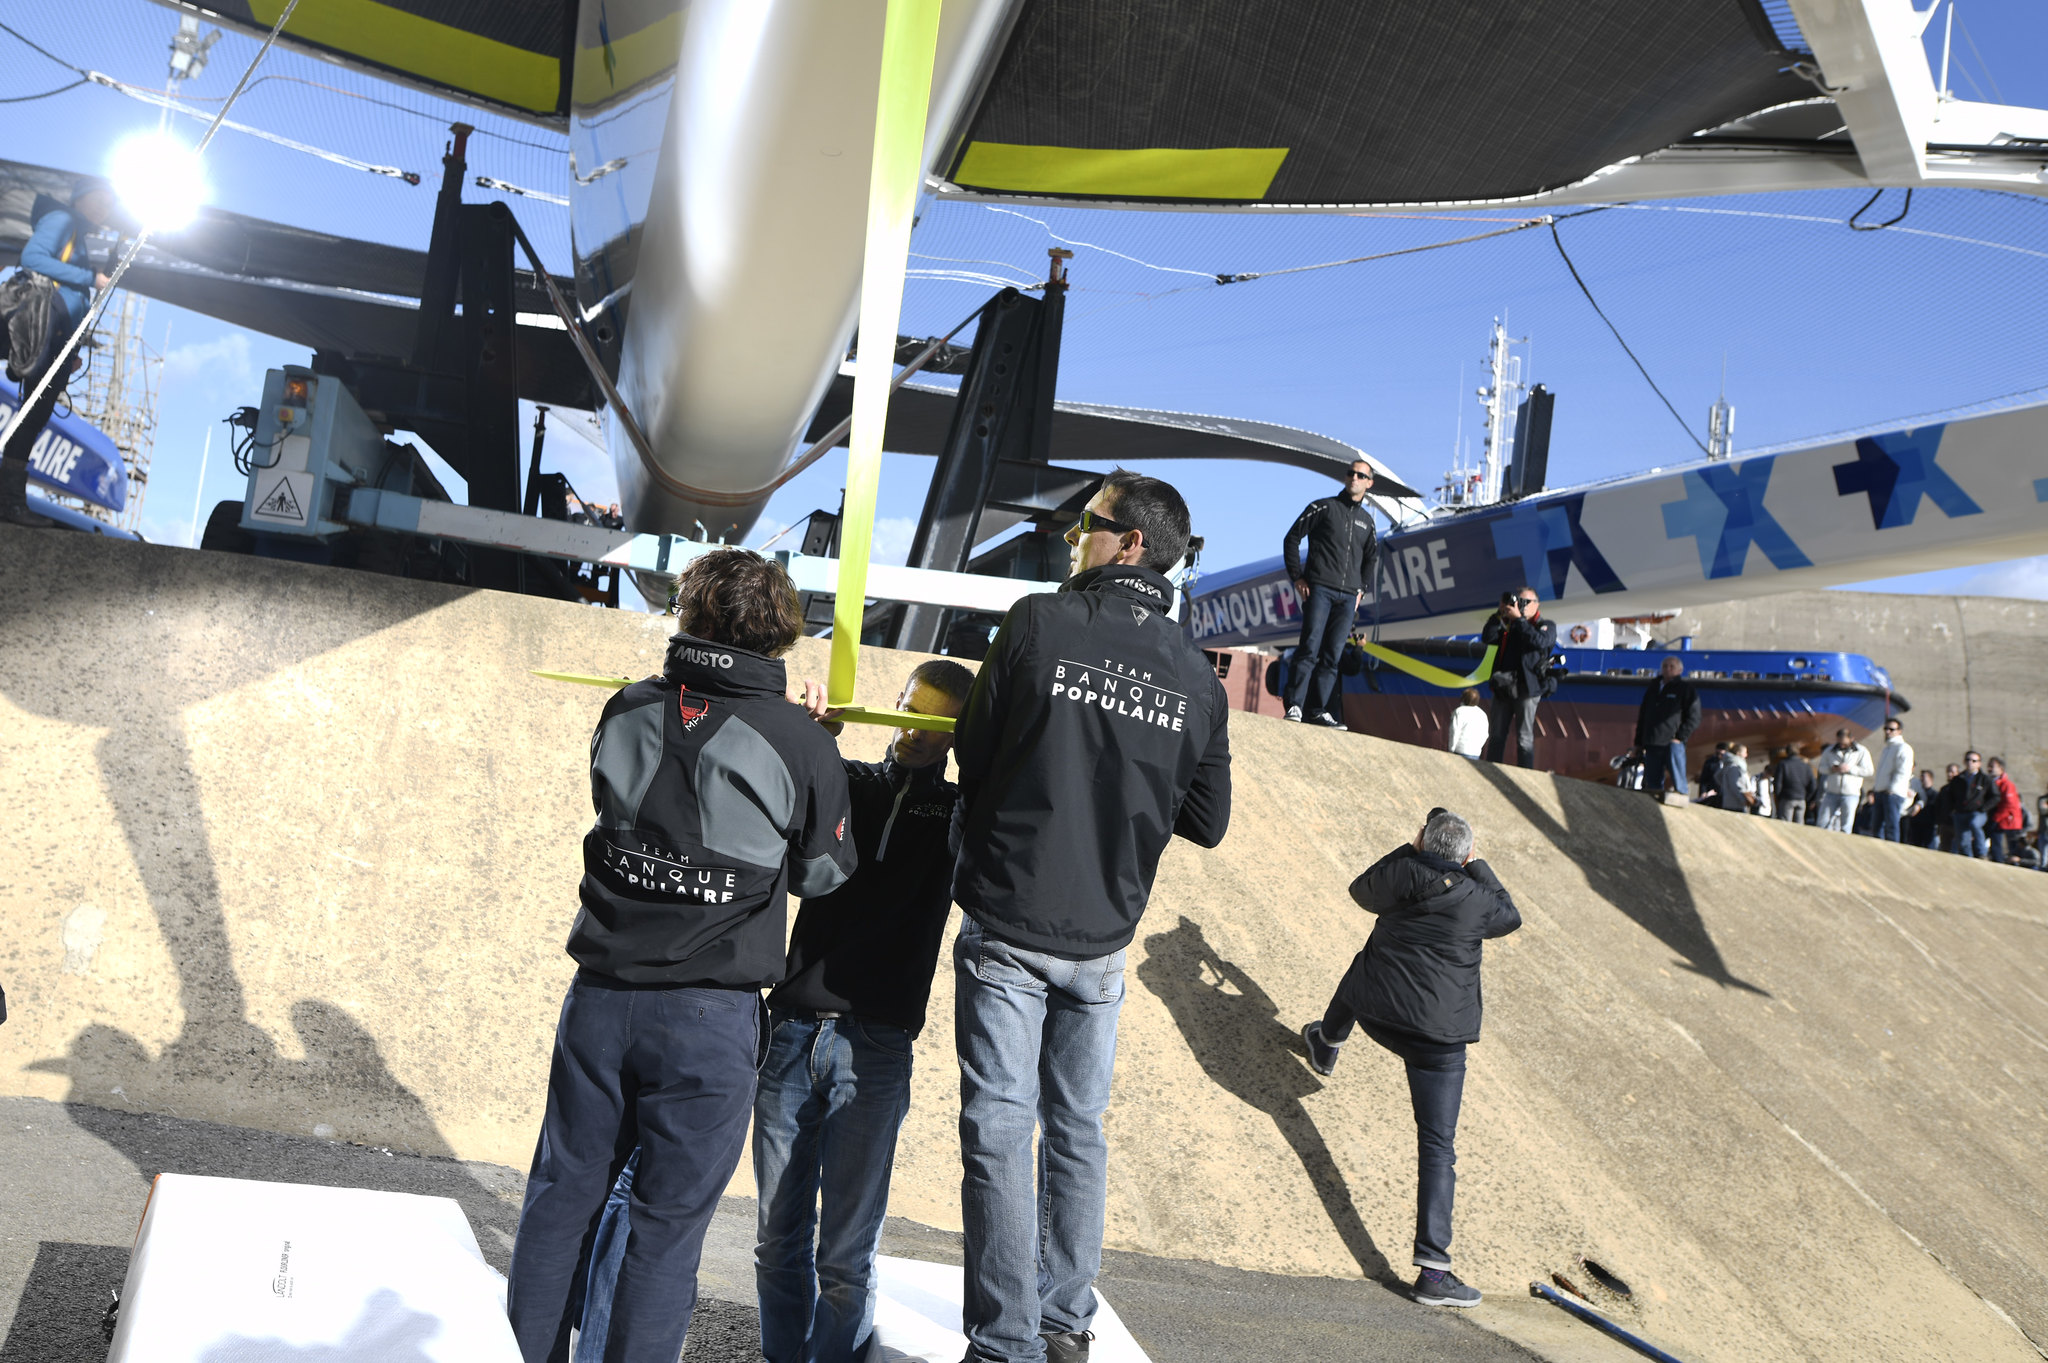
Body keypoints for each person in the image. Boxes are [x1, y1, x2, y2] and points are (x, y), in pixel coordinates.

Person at [504, 549, 857, 1363]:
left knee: (561, 1200)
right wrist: (820, 750)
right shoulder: (801, 742)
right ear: (780, 630)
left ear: (690, 611)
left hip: (600, 997)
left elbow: (608, 800)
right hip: (710, 1015)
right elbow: (825, 872)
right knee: (664, 1233)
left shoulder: (627, 707)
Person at [951, 468, 1231, 1363]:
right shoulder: (1198, 673)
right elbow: (1209, 820)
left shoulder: (1039, 620)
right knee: (1077, 1131)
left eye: (1088, 522)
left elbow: (974, 745)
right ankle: (1065, 1326)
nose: (1076, 535)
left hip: (1012, 914)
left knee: (1000, 1127)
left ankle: (1004, 1344)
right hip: (1105, 937)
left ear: (1131, 542)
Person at [751, 659, 974, 1363]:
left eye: (932, 718)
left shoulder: (961, 812)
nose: (910, 727)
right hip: (790, 1032)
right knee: (774, 1240)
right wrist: (812, 734)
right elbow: (781, 790)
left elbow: (1006, 815)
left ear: (953, 735)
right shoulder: (843, 778)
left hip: (876, 1048)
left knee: (846, 1255)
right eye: (907, 705)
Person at [1300, 809, 1521, 1308]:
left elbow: (1362, 891)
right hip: (1437, 1045)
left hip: (1377, 1012)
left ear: (1422, 841)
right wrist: (1477, 862)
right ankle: (1434, 1272)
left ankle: (1328, 1041)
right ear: (1464, 853)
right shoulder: (1477, 899)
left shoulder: (1403, 873)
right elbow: (1511, 915)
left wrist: (1410, 850)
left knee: (1368, 959)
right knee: (1437, 1148)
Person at [2, 178, 116, 527]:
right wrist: (87, 276)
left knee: (35, 416)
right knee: (30, 411)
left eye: (107, 204)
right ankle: (10, 501)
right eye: (97, 200)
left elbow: (84, 298)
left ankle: (10, 501)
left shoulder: (92, 238)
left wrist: (76, 345)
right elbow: (33, 257)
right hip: (41, 320)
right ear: (80, 198)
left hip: (62, 335)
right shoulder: (62, 219)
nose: (102, 208)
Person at [1279, 458, 1378, 726]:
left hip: (1348, 597)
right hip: (1319, 588)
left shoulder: (1367, 522)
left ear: (1369, 483)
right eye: (1351, 473)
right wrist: (1297, 576)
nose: (1354, 478)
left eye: (1360, 475)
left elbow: (1372, 558)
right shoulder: (1323, 507)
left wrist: (1361, 591)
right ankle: (1295, 705)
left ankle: (1318, 709)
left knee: (1333, 656)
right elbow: (1292, 538)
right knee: (1309, 648)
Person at [1478, 587, 1556, 768]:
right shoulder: (1509, 625)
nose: (1521, 606)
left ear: (1537, 605)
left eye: (1526, 602)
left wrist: (1519, 620)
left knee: (1524, 738)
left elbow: (1539, 641)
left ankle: (1525, 776)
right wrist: (1500, 613)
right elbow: (1488, 637)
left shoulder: (1546, 625)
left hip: (1528, 689)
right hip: (1504, 687)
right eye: (1519, 602)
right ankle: (1491, 771)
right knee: (1496, 734)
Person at [1632, 656, 1700, 799]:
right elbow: (1643, 716)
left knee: (1677, 777)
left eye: (1672, 666)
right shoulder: (1653, 688)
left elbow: (1694, 717)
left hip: (1672, 742)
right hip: (1652, 741)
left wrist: (1679, 737)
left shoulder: (1685, 689)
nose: (1667, 669)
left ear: (1680, 670)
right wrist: (1638, 743)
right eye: (1665, 666)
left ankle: (1681, 797)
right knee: (1653, 781)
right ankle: (1654, 800)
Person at [1815, 728, 1872, 832]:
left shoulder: (1861, 752)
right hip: (1832, 791)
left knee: (1846, 825)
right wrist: (1831, 769)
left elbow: (1869, 771)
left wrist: (1850, 769)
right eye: (1839, 742)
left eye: (1844, 743)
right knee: (1823, 822)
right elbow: (1821, 768)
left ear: (1852, 739)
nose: (1841, 745)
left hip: (1850, 794)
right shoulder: (1830, 751)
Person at [1867, 719, 1914, 843]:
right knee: (1876, 826)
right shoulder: (1887, 749)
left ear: (1899, 731)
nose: (1887, 732)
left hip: (1892, 794)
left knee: (1891, 826)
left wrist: (1892, 789)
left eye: (1891, 729)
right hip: (1880, 792)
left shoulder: (1903, 748)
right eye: (1886, 729)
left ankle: (1892, 849)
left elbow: (1903, 771)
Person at [1945, 752, 1995, 858]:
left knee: (1974, 824)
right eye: (1968, 760)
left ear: (1979, 763)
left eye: (1974, 761)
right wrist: (1953, 809)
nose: (1970, 763)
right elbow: (1950, 796)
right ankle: (1968, 858)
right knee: (1963, 839)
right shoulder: (1958, 779)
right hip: (1960, 813)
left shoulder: (1985, 779)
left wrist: (1984, 808)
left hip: (1977, 812)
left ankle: (1982, 853)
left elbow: (1995, 796)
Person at [1986, 756, 2023, 866]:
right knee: (1995, 845)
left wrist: (1996, 819)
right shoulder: (1991, 783)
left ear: (2001, 768)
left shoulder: (2007, 785)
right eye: (1989, 766)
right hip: (1998, 820)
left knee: (2010, 849)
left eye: (1992, 766)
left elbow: (2009, 805)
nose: (1989, 769)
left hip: (2008, 822)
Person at [1773, 746, 1815, 825]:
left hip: (1787, 798)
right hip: (1801, 799)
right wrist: (1806, 797)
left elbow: (1778, 783)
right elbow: (1813, 784)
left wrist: (1779, 796)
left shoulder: (1783, 764)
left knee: (1785, 824)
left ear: (1787, 752)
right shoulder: (1806, 766)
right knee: (1799, 825)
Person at [1926, 762, 1962, 851]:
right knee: (1944, 849)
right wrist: (1939, 821)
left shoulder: (1963, 789)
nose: (1950, 774)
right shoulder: (1944, 789)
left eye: (1952, 772)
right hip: (1944, 824)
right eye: (1948, 772)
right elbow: (1938, 806)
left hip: (1957, 824)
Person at [1446, 687, 1487, 759]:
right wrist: (1477, 748)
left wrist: (1451, 750)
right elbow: (1485, 735)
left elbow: (1454, 732)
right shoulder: (1482, 714)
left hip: (1459, 751)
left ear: (1463, 698)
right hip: (1475, 753)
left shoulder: (1459, 711)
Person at [1906, 768, 1940, 847]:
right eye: (1921, 777)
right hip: (1916, 825)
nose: (1922, 779)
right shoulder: (1916, 794)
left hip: (1928, 826)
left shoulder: (1935, 795)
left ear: (1931, 779)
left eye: (1924, 777)